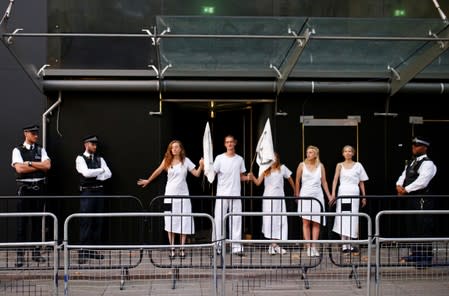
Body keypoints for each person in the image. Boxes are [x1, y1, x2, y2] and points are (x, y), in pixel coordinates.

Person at [137, 140, 203, 259]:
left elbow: (197, 174)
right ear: (170, 150)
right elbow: (158, 170)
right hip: (170, 196)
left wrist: (201, 165)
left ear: (180, 149)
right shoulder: (167, 161)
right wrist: (148, 180)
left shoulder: (185, 161)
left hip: (183, 196)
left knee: (184, 220)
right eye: (172, 148)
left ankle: (182, 248)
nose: (174, 149)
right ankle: (172, 248)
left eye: (177, 147)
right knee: (170, 221)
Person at [11, 124, 51, 267]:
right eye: (33, 133)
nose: (36, 136)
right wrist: (37, 164)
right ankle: (20, 255)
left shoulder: (41, 149)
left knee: (36, 222)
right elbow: (19, 169)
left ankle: (36, 252)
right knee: (22, 223)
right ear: (25, 133)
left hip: (39, 189)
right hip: (25, 189)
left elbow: (47, 166)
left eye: (37, 133)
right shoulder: (17, 150)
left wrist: (29, 163)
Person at [396, 136, 437, 267]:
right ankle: (416, 253)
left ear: (424, 148)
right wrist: (398, 185)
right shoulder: (412, 162)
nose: (414, 147)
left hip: (422, 199)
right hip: (411, 199)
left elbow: (422, 182)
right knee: (412, 226)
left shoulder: (428, 163)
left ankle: (425, 257)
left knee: (423, 227)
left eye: (417, 145)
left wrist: (405, 190)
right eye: (413, 145)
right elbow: (404, 175)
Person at [76, 135, 112, 264]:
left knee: (98, 221)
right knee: (86, 221)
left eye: (96, 144)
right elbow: (86, 173)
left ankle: (93, 250)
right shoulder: (80, 158)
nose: (95, 146)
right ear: (86, 144)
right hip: (87, 192)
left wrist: (96, 174)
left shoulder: (100, 159)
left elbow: (108, 174)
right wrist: (100, 171)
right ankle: (82, 251)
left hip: (99, 192)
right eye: (93, 144)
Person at [213, 135, 250, 256]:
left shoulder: (239, 159)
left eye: (231, 142)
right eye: (227, 142)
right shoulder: (219, 158)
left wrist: (248, 177)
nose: (229, 144)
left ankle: (236, 247)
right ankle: (218, 246)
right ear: (225, 144)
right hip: (222, 194)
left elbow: (240, 176)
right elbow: (212, 173)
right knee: (219, 220)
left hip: (235, 193)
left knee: (236, 220)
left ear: (235, 143)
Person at [251, 152, 295, 255]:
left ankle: (274, 245)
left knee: (278, 219)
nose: (272, 159)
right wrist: (252, 177)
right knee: (269, 219)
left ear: (277, 158)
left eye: (274, 157)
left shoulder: (282, 168)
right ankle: (273, 245)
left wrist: (295, 191)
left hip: (279, 198)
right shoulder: (265, 169)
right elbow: (258, 183)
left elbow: (290, 179)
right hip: (268, 198)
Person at [295, 145, 331, 257]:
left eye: (311, 152)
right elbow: (297, 180)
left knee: (316, 222)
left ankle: (314, 246)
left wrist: (329, 195)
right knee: (306, 222)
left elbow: (324, 182)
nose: (308, 154)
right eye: (307, 152)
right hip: (305, 194)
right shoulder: (302, 165)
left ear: (316, 154)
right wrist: (297, 194)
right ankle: (308, 246)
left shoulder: (320, 166)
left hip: (317, 195)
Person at [331, 145, 368, 253]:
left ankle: (350, 243)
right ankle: (344, 244)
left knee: (352, 217)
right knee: (343, 217)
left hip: (354, 193)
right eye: (345, 151)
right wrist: (333, 194)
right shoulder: (339, 165)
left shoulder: (358, 165)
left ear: (353, 153)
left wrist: (364, 196)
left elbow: (361, 181)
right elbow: (335, 180)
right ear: (343, 153)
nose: (348, 153)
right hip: (343, 193)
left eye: (350, 151)